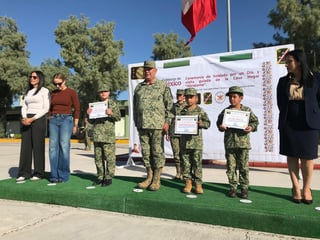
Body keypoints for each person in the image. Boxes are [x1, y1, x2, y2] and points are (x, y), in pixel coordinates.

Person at [277, 49, 320, 204]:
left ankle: (307, 188)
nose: (286, 65)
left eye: (289, 61)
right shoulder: (283, 82)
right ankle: (295, 188)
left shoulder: (315, 79)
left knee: (308, 157)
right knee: (292, 155)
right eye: (286, 62)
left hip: (309, 124)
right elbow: (280, 103)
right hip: (289, 123)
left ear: (299, 62)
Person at [133, 60, 173, 191]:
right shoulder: (139, 87)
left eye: (150, 69)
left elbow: (170, 107)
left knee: (157, 152)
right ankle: (149, 176)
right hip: (143, 125)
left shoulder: (162, 86)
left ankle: (157, 179)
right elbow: (135, 107)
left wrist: (167, 122)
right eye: (145, 69)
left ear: (155, 71)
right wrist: (136, 122)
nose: (147, 71)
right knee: (146, 153)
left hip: (157, 125)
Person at [216, 86, 259, 199]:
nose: (232, 99)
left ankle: (244, 188)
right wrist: (221, 127)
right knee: (231, 167)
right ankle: (233, 188)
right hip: (230, 144)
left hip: (243, 144)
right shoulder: (226, 111)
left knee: (244, 167)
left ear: (241, 98)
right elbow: (219, 123)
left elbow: (255, 121)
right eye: (230, 97)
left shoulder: (247, 111)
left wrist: (251, 127)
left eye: (234, 97)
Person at [16, 71, 50, 182]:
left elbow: (46, 108)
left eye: (34, 77)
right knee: (25, 147)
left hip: (38, 119)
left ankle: (38, 173)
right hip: (26, 119)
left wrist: (32, 119)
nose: (32, 78)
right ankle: (24, 173)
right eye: (30, 76)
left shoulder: (45, 91)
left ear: (40, 78)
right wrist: (25, 118)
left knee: (38, 146)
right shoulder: (28, 92)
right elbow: (24, 106)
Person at [87, 83, 121, 187]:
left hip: (108, 136)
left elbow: (118, 117)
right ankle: (100, 177)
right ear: (99, 93)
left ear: (109, 92)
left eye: (105, 91)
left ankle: (108, 177)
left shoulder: (113, 104)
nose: (103, 93)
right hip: (97, 135)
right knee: (98, 158)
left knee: (110, 158)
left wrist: (111, 113)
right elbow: (91, 121)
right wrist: (88, 114)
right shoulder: (95, 105)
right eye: (101, 92)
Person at [49, 73, 80, 183]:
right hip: (53, 120)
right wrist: (50, 117)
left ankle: (63, 175)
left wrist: (75, 125)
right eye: (55, 84)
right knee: (53, 148)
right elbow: (50, 107)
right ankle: (54, 175)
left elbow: (77, 109)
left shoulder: (71, 92)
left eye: (59, 83)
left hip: (66, 120)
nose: (57, 86)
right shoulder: (53, 93)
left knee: (64, 146)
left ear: (65, 81)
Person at [180, 88, 211, 194]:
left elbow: (208, 123)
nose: (189, 99)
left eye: (191, 97)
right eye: (187, 97)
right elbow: (178, 124)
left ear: (196, 98)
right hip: (184, 143)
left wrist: (202, 124)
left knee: (197, 164)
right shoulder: (182, 111)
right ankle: (188, 182)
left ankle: (198, 184)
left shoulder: (200, 111)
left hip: (196, 143)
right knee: (186, 163)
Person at [167, 89, 186, 179]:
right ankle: (178, 172)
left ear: (184, 96)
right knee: (176, 154)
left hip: (184, 133)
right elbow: (168, 119)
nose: (179, 97)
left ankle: (184, 172)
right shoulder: (173, 107)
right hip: (173, 132)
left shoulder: (187, 106)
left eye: (181, 95)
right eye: (178, 95)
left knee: (184, 154)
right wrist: (167, 133)